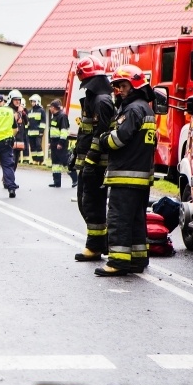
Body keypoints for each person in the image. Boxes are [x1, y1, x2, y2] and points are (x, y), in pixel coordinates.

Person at [95, 65, 156, 276]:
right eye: (117, 86)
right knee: (136, 220)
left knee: (119, 219)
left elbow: (118, 139)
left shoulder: (132, 110)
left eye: (123, 85)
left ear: (135, 86)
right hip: (140, 177)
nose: (119, 90)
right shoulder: (146, 108)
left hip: (125, 174)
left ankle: (117, 262)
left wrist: (103, 139)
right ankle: (138, 259)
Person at [71, 57, 116, 262]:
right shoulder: (94, 98)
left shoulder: (102, 101)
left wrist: (90, 161)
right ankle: (100, 243)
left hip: (97, 164)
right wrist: (76, 156)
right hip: (89, 162)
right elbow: (86, 132)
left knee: (92, 203)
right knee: (85, 202)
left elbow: (101, 134)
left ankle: (95, 246)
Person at [47, 99, 78, 188]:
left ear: (54, 107)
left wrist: (60, 143)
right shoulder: (54, 116)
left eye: (50, 107)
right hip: (54, 142)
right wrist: (50, 142)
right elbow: (52, 131)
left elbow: (64, 131)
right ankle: (57, 182)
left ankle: (75, 179)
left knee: (65, 161)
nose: (50, 109)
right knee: (55, 163)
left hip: (60, 142)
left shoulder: (62, 116)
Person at [7, 90, 28, 169]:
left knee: (15, 161)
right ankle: (8, 179)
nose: (17, 101)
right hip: (10, 139)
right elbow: (11, 121)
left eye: (19, 100)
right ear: (11, 100)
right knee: (11, 160)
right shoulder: (8, 110)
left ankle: (10, 177)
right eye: (15, 100)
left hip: (19, 139)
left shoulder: (21, 110)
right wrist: (17, 113)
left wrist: (23, 113)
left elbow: (26, 122)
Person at [27, 94, 47, 164]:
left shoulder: (41, 111)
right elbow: (28, 122)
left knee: (38, 145)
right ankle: (35, 160)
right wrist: (27, 130)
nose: (32, 103)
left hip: (38, 132)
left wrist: (41, 131)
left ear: (38, 101)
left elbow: (43, 122)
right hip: (30, 133)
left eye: (34, 102)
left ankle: (41, 160)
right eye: (32, 102)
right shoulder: (30, 111)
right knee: (32, 147)